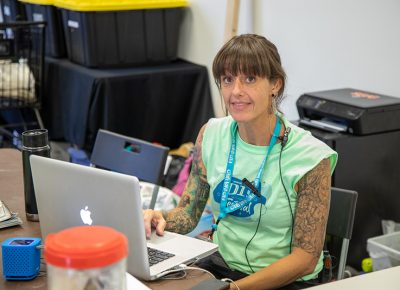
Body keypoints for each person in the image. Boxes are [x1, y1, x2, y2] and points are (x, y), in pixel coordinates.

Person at [143, 34, 338, 290]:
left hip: (283, 281)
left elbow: (304, 259)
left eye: (249, 78)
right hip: (220, 266)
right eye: (227, 79)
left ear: (275, 85)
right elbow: (189, 215)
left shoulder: (310, 157)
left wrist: (235, 289)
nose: (236, 91)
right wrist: (159, 217)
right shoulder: (211, 134)